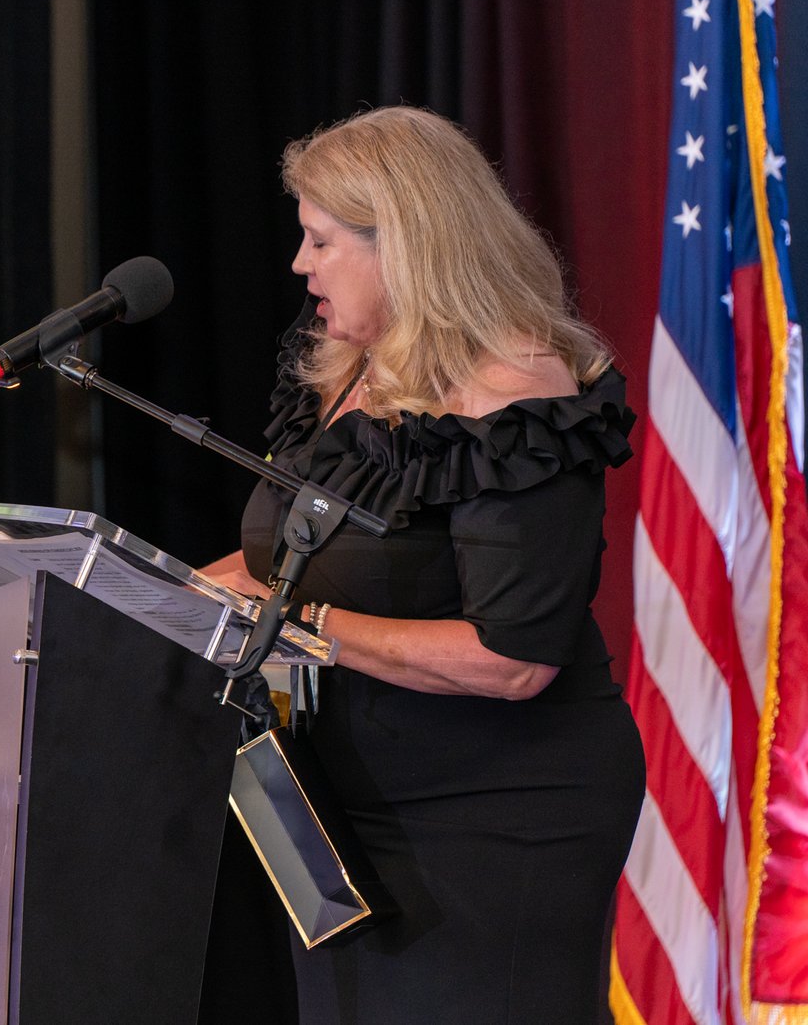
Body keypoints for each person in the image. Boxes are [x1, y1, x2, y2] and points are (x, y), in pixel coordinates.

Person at [202, 105, 645, 1022]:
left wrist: (299, 626)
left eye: (323, 241)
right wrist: (135, 589)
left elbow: (513, 659)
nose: (301, 265)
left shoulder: (515, 392)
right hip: (336, 804)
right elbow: (287, 561)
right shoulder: (343, 373)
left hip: (496, 813)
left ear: (403, 244)